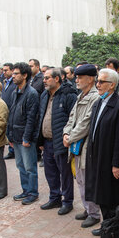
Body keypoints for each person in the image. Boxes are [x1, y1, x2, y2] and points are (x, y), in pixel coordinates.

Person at [86, 68, 119, 236]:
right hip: (97, 157)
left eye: (101, 82)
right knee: (101, 194)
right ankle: (106, 225)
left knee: (112, 196)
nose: (97, 85)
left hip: (110, 160)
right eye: (97, 81)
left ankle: (114, 228)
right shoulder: (99, 102)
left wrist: (117, 164)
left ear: (112, 85)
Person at [63, 64, 102, 229]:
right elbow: (71, 118)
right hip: (75, 145)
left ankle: (94, 213)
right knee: (79, 179)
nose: (76, 80)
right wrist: (66, 133)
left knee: (88, 180)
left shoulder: (95, 97)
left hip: (85, 146)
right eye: (76, 77)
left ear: (91, 78)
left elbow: (86, 123)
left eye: (80, 77)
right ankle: (87, 208)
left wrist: (70, 137)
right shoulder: (81, 95)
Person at [38, 68, 77, 214]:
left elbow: (73, 119)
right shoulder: (44, 95)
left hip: (61, 141)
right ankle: (54, 198)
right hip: (47, 141)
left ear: (57, 79)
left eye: (47, 78)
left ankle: (67, 201)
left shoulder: (68, 95)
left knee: (64, 173)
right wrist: (39, 140)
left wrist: (68, 138)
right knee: (50, 172)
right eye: (44, 78)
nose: (44, 80)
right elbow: (41, 116)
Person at [8, 62, 41, 205]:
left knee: (29, 167)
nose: (13, 76)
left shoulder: (31, 93)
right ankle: (26, 190)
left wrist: (26, 138)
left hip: (25, 137)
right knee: (20, 165)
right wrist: (9, 135)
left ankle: (33, 192)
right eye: (13, 73)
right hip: (16, 136)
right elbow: (11, 114)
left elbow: (31, 119)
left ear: (25, 75)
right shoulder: (15, 92)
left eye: (16, 74)